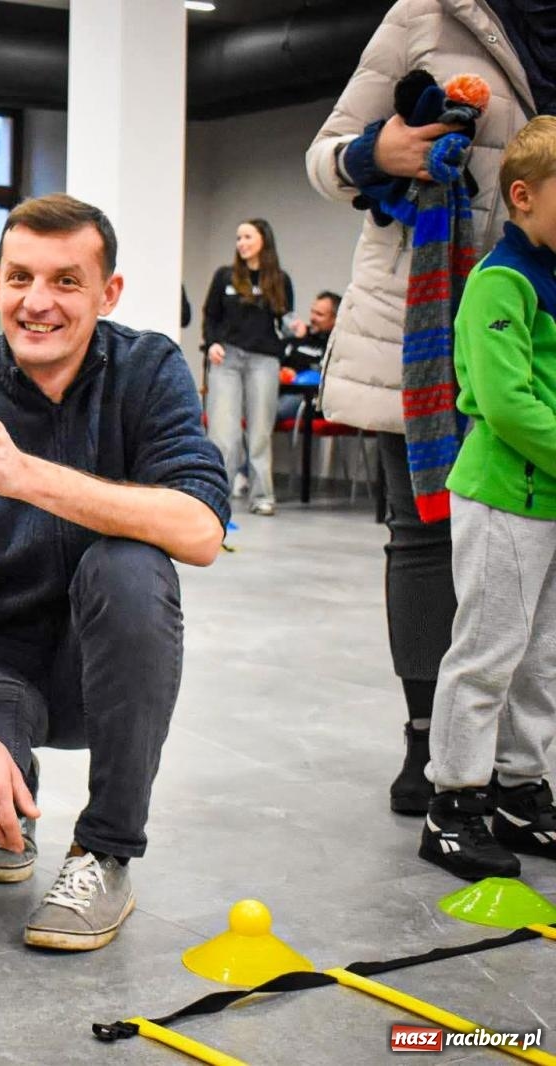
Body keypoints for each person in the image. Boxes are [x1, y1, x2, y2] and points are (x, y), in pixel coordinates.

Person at [0, 194, 228, 952]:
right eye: (18, 278)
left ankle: (105, 851)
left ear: (108, 293)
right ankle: (11, 804)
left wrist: (27, 476)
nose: (36, 303)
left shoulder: (145, 369)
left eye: (66, 282)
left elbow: (202, 532)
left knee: (131, 562)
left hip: (101, 657)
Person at [306, 0, 539, 817]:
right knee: (426, 536)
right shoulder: (426, 15)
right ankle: (426, 738)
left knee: (534, 544)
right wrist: (383, 151)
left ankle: (519, 757)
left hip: (540, 318)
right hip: (428, 317)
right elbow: (326, 158)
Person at [418, 116, 556, 881]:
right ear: (525, 197)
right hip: (504, 499)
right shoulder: (500, 281)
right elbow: (506, 403)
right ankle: (454, 804)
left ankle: (520, 793)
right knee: (487, 655)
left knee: (542, 662)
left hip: (553, 501)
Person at [202, 218, 294, 517]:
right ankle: (217, 494)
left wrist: (297, 330)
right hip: (226, 359)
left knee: (260, 432)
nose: (241, 243)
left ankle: (263, 496)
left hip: (263, 361)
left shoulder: (279, 279)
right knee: (223, 432)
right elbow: (210, 316)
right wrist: (212, 342)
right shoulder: (225, 276)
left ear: (263, 240)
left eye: (247, 237)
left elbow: (284, 321)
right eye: (238, 237)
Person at [277, 290, 341, 422]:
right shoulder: (301, 335)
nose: (312, 318)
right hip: (280, 390)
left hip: (307, 397)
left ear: (335, 319)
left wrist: (296, 376)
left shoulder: (337, 345)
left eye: (319, 314)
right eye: (312, 312)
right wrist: (296, 339)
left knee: (269, 412)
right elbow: (276, 360)